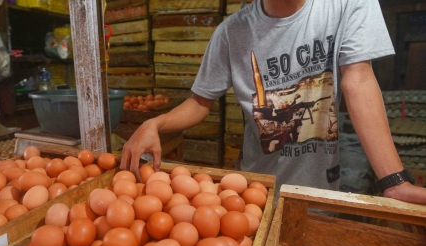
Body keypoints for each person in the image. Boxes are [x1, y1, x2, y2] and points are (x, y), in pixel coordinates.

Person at [120, 0, 426, 205]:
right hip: (258, 192)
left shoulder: (345, 5)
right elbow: (200, 102)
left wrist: (393, 179)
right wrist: (154, 123)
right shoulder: (232, 32)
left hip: (319, 192)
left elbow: (357, 79)